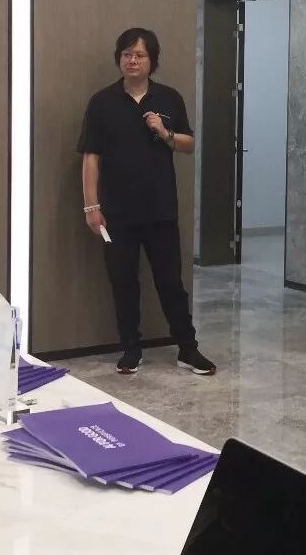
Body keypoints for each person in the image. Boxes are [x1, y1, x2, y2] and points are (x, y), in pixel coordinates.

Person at [78, 27, 216, 376]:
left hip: (160, 209)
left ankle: (188, 348)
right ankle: (131, 348)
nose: (133, 60)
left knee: (170, 283)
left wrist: (165, 132)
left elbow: (189, 144)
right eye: (127, 54)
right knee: (123, 281)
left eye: (140, 55)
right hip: (116, 213)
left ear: (152, 61)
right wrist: (91, 206)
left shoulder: (168, 98)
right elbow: (91, 157)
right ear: (119, 59)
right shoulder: (102, 102)